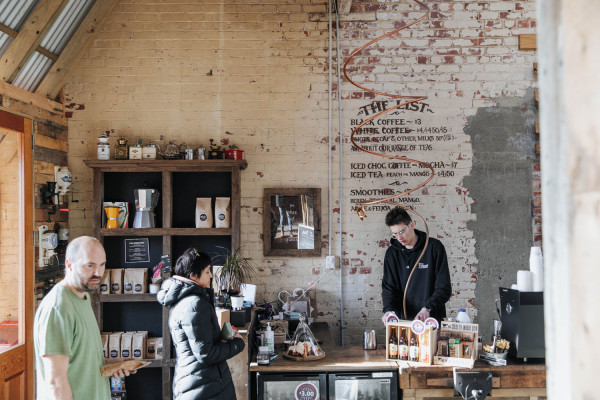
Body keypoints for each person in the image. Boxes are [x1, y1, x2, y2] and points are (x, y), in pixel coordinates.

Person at [34, 236, 134, 400]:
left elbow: (79, 362)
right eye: (90, 265)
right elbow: (55, 382)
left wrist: (110, 364)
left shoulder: (83, 298)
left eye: (102, 265)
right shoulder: (58, 307)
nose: (98, 273)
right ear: (69, 264)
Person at [157, 248, 245, 400]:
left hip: (197, 384)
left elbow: (199, 346)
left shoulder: (181, 301)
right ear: (193, 276)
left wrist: (220, 340)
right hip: (204, 388)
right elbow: (205, 354)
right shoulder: (195, 304)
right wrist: (237, 343)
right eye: (207, 271)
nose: (211, 275)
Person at [381, 207, 452, 324]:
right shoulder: (392, 253)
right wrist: (388, 310)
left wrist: (427, 308)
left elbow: (443, 287)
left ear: (411, 225)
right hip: (403, 321)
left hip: (430, 319)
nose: (399, 238)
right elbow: (389, 288)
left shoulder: (434, 247)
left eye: (402, 231)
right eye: (395, 234)